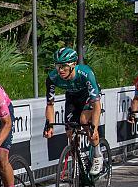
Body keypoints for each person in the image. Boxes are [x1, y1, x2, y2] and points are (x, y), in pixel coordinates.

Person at [42, 47, 104, 176]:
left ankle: (98, 156)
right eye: (58, 66)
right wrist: (50, 124)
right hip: (72, 97)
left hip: (88, 96)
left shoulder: (86, 73)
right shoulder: (52, 77)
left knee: (84, 121)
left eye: (64, 66)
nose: (60, 70)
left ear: (73, 65)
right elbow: (50, 104)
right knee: (70, 130)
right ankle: (77, 162)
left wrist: (95, 127)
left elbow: (97, 105)